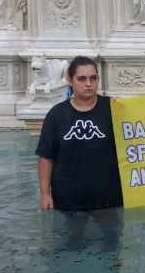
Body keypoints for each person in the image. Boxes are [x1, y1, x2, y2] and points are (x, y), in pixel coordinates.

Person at [36, 56, 123, 212]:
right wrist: (44, 194)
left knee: (110, 236)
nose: (88, 84)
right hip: (67, 198)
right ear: (70, 80)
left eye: (93, 78)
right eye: (82, 79)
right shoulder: (56, 115)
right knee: (71, 237)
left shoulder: (113, 109)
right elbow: (46, 157)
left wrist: (127, 109)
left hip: (108, 197)